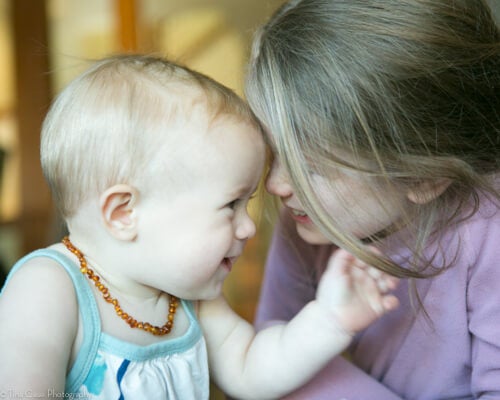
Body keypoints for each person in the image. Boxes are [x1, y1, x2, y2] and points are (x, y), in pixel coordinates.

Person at [0, 54, 399, 400]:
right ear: (124, 213)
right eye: (230, 205)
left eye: (249, 204)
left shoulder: (187, 300)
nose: (248, 229)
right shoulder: (49, 288)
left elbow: (250, 370)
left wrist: (329, 319)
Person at [245, 0, 500, 398]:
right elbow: (268, 347)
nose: (276, 184)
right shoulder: (309, 220)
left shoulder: (488, 234)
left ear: (424, 177)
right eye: (275, 152)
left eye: (310, 166)